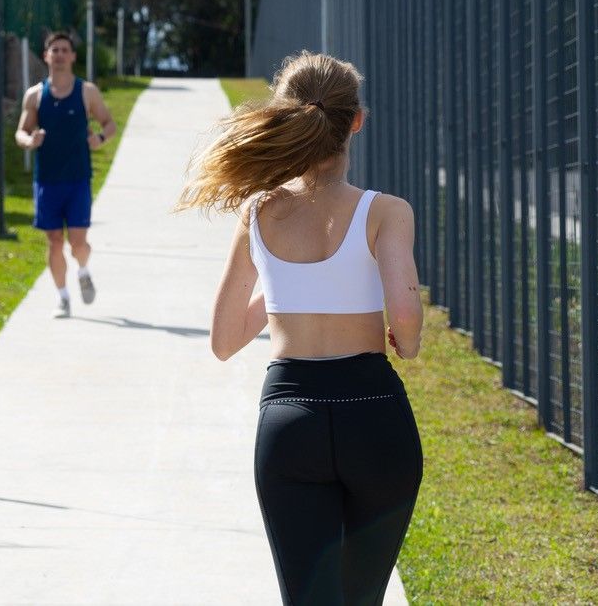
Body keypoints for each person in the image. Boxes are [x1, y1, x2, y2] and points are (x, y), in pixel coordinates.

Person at [177, 51, 423, 606]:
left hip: (291, 419)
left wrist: (287, 284)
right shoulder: (387, 211)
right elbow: (404, 318)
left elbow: (223, 341)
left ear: (286, 115)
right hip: (374, 414)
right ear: (356, 120)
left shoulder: (259, 211)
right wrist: (405, 344)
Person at [16, 31, 117, 318]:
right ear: (46, 56)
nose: (59, 55)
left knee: (78, 243)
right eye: (54, 50)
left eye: (64, 50)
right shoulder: (35, 95)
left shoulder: (87, 92)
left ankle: (83, 270)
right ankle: (63, 297)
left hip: (77, 180)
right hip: (47, 180)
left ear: (72, 56)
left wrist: (100, 138)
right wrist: (29, 141)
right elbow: (21, 132)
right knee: (54, 242)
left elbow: (109, 124)